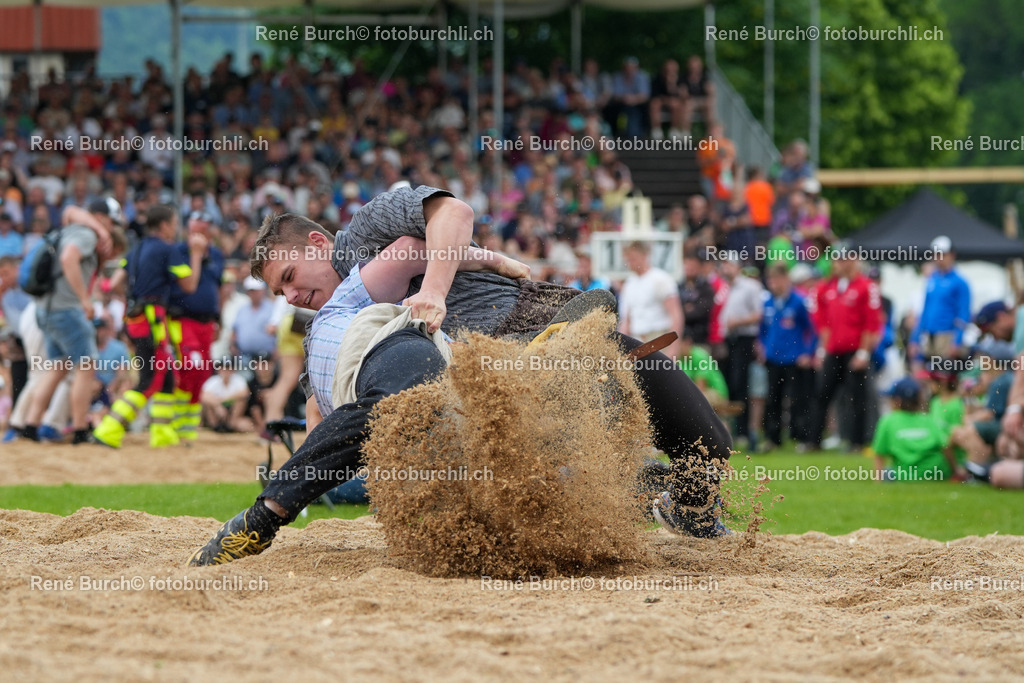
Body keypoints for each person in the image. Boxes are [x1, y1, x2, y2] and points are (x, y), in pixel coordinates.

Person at [92, 204, 203, 448]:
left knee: (167, 376)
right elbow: (190, 285)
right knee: (150, 379)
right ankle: (109, 428)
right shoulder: (167, 249)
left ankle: (162, 433)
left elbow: (114, 284)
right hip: (152, 322)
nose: (175, 229)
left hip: (134, 319)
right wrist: (196, 254)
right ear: (164, 225)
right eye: (174, 224)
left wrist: (137, 296)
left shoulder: (136, 249)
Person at [21, 199, 125, 445]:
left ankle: (31, 425)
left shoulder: (71, 228)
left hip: (46, 309)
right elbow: (69, 257)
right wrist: (84, 300)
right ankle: (80, 430)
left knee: (58, 367)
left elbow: (69, 211)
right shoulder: (87, 234)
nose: (111, 229)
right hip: (67, 310)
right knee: (86, 366)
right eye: (111, 222)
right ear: (101, 217)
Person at [806, 247, 882, 451]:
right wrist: (822, 350)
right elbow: (824, 323)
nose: (840, 263)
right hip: (834, 350)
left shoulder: (866, 286)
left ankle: (857, 442)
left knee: (857, 398)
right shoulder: (830, 287)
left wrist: (864, 353)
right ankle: (814, 440)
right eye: (838, 259)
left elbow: (871, 323)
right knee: (822, 394)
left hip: (854, 350)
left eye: (844, 258)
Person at [167, 211, 224, 442]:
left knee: (202, 373)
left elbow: (217, 288)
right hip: (183, 319)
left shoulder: (217, 254)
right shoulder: (178, 252)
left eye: (203, 229)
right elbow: (186, 284)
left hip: (207, 322)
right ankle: (175, 421)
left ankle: (188, 427)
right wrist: (196, 254)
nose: (199, 234)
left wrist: (219, 319)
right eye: (195, 230)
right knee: (189, 366)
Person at [759, 264, 816, 450]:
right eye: (770, 280)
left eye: (776, 279)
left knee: (798, 399)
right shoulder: (768, 302)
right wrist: (763, 347)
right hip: (773, 358)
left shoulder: (799, 301)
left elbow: (812, 329)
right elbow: (763, 330)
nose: (773, 284)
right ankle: (772, 438)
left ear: (785, 279)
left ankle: (800, 436)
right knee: (773, 398)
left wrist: (807, 352)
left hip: (794, 358)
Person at [872, 378, 963, 482]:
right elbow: (946, 447)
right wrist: (955, 471)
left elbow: (879, 454)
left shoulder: (888, 421)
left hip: (904, 475)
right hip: (934, 473)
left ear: (897, 401)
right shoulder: (929, 420)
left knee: (887, 471)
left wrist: (878, 480)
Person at [718, 257, 763, 448]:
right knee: (726, 384)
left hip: (743, 338)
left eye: (729, 264)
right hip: (726, 340)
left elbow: (758, 314)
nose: (726, 268)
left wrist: (738, 321)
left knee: (740, 384)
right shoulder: (722, 287)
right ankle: (729, 432)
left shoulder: (750, 286)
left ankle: (744, 432)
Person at [910, 236, 971, 366]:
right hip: (929, 335)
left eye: (942, 255)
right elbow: (925, 310)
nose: (938, 258)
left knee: (944, 373)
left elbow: (963, 313)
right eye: (936, 255)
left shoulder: (960, 282)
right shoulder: (932, 279)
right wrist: (915, 339)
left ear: (952, 255)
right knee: (925, 372)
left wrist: (957, 341)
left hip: (947, 336)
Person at [617, 241, 683, 360]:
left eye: (633, 258)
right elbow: (627, 319)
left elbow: (676, 315)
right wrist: (620, 347)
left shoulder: (661, 279)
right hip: (637, 341)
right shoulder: (629, 284)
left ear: (644, 256)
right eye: (628, 259)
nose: (630, 262)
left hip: (658, 339)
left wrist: (673, 348)